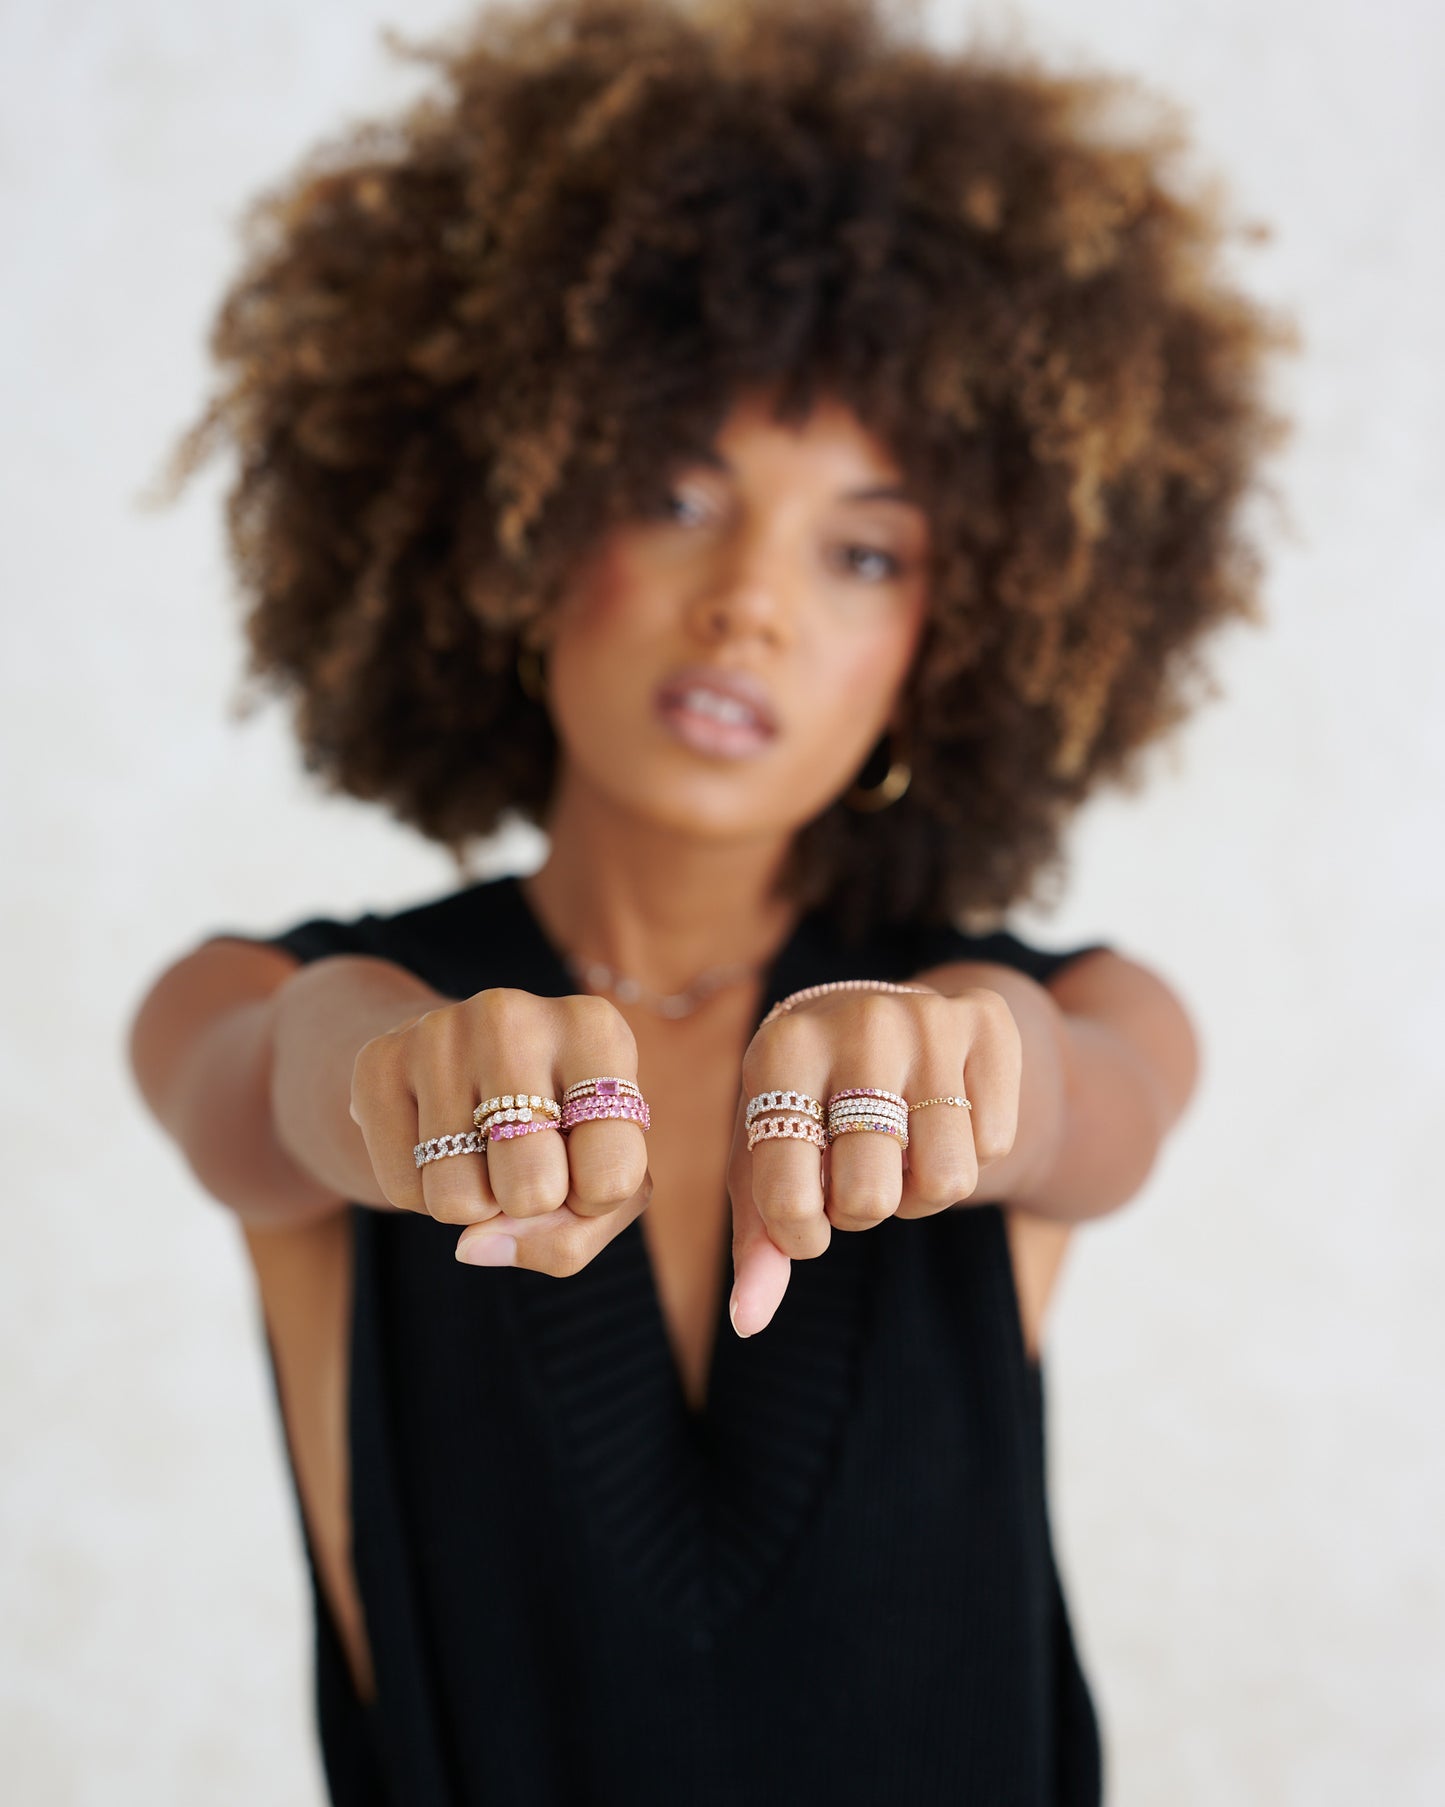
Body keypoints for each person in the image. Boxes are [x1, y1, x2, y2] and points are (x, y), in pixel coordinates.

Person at [127, 0, 1290, 1800]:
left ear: (961, 628)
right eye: (675, 492)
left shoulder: (1029, 1008)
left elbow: (1089, 1110)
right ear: (512, 525)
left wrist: (977, 1059)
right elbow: (262, 1082)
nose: (750, 598)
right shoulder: (294, 998)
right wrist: (395, 1075)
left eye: (862, 549)